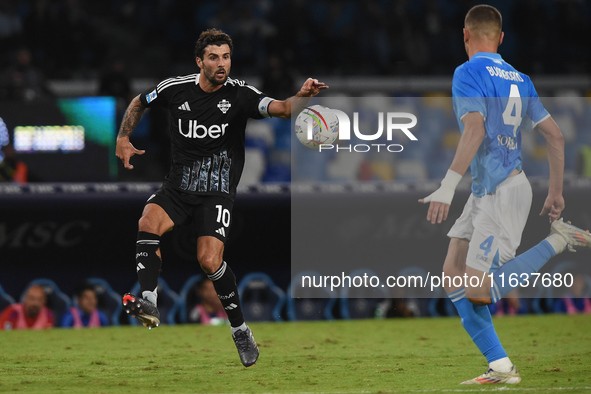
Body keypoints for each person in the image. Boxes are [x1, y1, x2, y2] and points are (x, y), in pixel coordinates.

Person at [116, 28, 327, 367]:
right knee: (147, 221)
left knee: (209, 261)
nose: (221, 64)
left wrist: (302, 95)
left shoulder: (241, 94)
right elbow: (139, 101)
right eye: (214, 57)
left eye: (226, 57)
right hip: (178, 186)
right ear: (199, 61)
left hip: (216, 191)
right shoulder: (174, 88)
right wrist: (123, 137)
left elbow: (285, 109)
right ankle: (149, 302)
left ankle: (240, 330)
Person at [419, 5, 591, 385]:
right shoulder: (520, 78)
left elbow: (475, 130)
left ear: (465, 35)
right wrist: (557, 192)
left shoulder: (467, 72)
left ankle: (558, 242)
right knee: (452, 275)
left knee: (479, 291)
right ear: (500, 38)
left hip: (502, 193)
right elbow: (556, 136)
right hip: (490, 190)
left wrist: (447, 187)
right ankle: (500, 367)